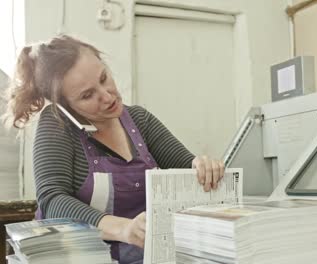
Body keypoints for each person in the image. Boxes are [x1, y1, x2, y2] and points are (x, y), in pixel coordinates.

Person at [2, 35, 225, 264]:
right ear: (65, 106)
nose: (108, 96)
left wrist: (202, 166)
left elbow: (186, 166)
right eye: (87, 95)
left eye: (104, 78)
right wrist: (124, 229)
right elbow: (52, 200)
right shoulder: (56, 124)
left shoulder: (139, 119)